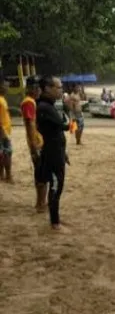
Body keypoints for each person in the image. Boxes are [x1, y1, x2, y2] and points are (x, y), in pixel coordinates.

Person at [37, 75, 71, 232]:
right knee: (56, 186)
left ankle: (55, 218)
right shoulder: (45, 106)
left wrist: (63, 153)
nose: (61, 90)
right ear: (47, 88)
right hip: (52, 153)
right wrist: (67, 109)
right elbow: (65, 125)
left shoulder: (48, 105)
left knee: (57, 185)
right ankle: (54, 223)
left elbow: (58, 128)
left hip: (56, 151)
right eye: (58, 87)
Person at [21, 76, 47, 211]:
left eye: (39, 88)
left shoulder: (31, 102)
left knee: (40, 172)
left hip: (37, 141)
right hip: (36, 143)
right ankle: (40, 203)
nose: (38, 91)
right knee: (41, 173)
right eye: (35, 88)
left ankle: (41, 202)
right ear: (29, 89)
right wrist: (34, 147)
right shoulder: (29, 102)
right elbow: (30, 125)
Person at [0, 80, 13, 183]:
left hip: (5, 130)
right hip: (2, 131)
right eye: (5, 86)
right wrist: (3, 132)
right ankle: (8, 176)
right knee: (7, 153)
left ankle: (2, 175)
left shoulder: (3, 99)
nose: (7, 88)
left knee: (3, 153)